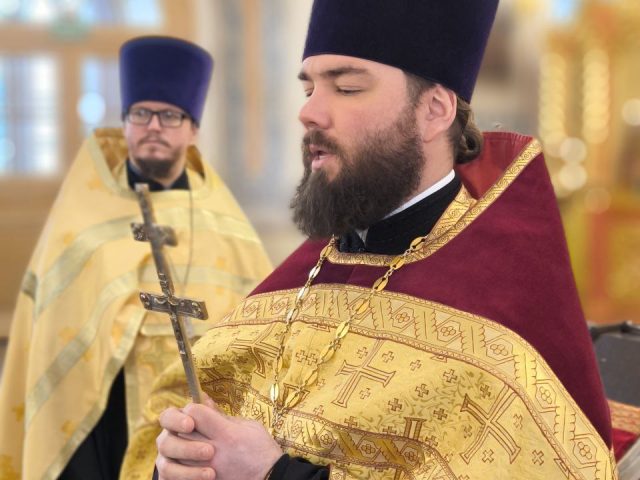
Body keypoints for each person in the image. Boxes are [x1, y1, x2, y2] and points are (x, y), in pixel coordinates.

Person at [122, 2, 617, 479]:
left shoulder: (503, 316)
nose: (309, 112)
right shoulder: (306, 273)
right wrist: (181, 464)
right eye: (309, 88)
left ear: (434, 110)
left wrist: (273, 473)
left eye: (347, 87)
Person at [0, 36, 272, 480]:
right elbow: (56, 338)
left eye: (169, 115)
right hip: (105, 418)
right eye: (141, 114)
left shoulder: (227, 225)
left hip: (199, 410)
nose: (153, 126)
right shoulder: (83, 216)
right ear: (125, 122)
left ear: (192, 129)